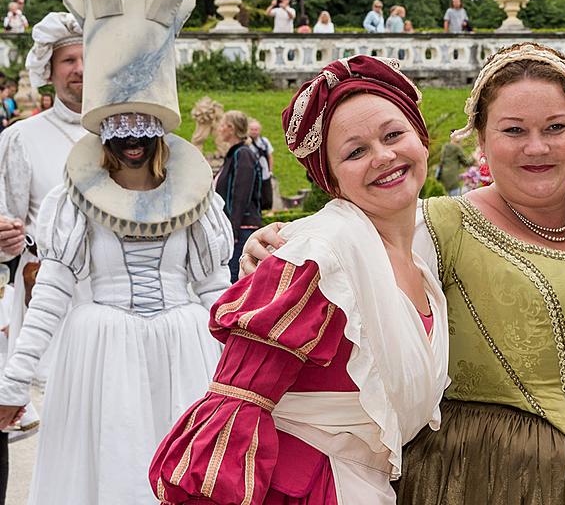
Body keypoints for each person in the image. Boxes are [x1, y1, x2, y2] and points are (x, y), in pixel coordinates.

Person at [241, 43, 565, 504]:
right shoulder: (441, 225)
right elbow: (353, 234)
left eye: (556, 127)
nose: (537, 146)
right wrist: (280, 241)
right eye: (513, 130)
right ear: (480, 141)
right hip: (486, 478)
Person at [150, 55, 449, 505]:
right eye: (355, 151)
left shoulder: (422, 255)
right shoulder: (316, 258)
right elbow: (233, 409)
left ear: (420, 138)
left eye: (393, 135)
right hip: (306, 488)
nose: (383, 157)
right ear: (330, 178)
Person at [0, 0, 232, 505]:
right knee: (114, 476)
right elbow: (53, 293)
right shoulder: (73, 199)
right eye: (118, 128)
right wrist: (13, 382)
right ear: (102, 132)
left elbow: (217, 290)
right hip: (102, 357)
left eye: (142, 129)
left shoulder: (196, 199)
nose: (130, 142)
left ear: (159, 133)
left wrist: (242, 371)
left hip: (185, 351)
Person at [0, 12, 86, 444]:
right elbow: (6, 221)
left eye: (88, 58)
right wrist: (5, 241)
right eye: (69, 60)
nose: (81, 69)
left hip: (114, 297)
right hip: (49, 292)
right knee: (63, 420)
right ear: (49, 72)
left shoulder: (128, 133)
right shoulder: (22, 138)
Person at [216, 110, 263, 283]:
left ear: (231, 128)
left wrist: (232, 229)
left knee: (236, 282)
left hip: (242, 229)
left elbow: (240, 195)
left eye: (222, 125)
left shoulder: (242, 154)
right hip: (237, 228)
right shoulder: (236, 154)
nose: (219, 129)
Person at [248, 117, 275, 210]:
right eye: (252, 129)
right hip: (252, 176)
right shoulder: (246, 143)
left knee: (267, 197)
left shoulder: (264, 142)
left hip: (265, 174)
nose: (254, 132)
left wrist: (270, 171)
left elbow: (270, 156)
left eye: (256, 129)